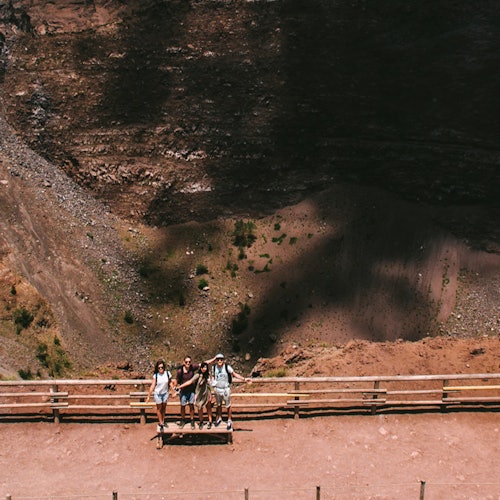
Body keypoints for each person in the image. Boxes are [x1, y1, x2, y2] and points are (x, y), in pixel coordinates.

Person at [210, 353, 251, 430]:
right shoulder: (214, 368)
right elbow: (212, 376)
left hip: (225, 389)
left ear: (223, 360)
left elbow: (234, 374)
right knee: (219, 404)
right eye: (218, 359)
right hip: (217, 389)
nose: (219, 361)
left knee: (228, 405)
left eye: (221, 359)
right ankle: (219, 418)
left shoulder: (227, 367)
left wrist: (244, 379)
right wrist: (212, 382)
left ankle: (229, 420)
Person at [176, 362, 213, 429]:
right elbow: (190, 382)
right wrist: (180, 387)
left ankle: (210, 421)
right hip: (199, 394)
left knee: (208, 407)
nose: (204, 369)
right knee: (199, 407)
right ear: (201, 368)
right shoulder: (197, 375)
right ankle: (201, 422)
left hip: (207, 393)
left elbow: (212, 383)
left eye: (205, 367)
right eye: (203, 367)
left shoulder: (208, 375)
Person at [146, 359, 173, 433]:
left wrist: (173, 390)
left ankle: (162, 420)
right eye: (159, 368)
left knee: (164, 407)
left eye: (162, 367)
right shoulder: (156, 376)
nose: (161, 369)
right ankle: (161, 423)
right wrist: (148, 396)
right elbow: (152, 385)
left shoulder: (167, 373)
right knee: (159, 408)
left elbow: (170, 382)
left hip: (165, 393)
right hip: (158, 394)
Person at [174, 355, 200, 429]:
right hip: (183, 391)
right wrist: (174, 389)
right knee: (183, 406)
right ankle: (183, 420)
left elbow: (203, 364)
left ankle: (192, 420)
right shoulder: (180, 371)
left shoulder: (192, 367)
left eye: (189, 362)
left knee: (191, 405)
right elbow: (176, 380)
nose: (188, 363)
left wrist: (214, 359)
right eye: (186, 362)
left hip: (191, 390)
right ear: (183, 362)